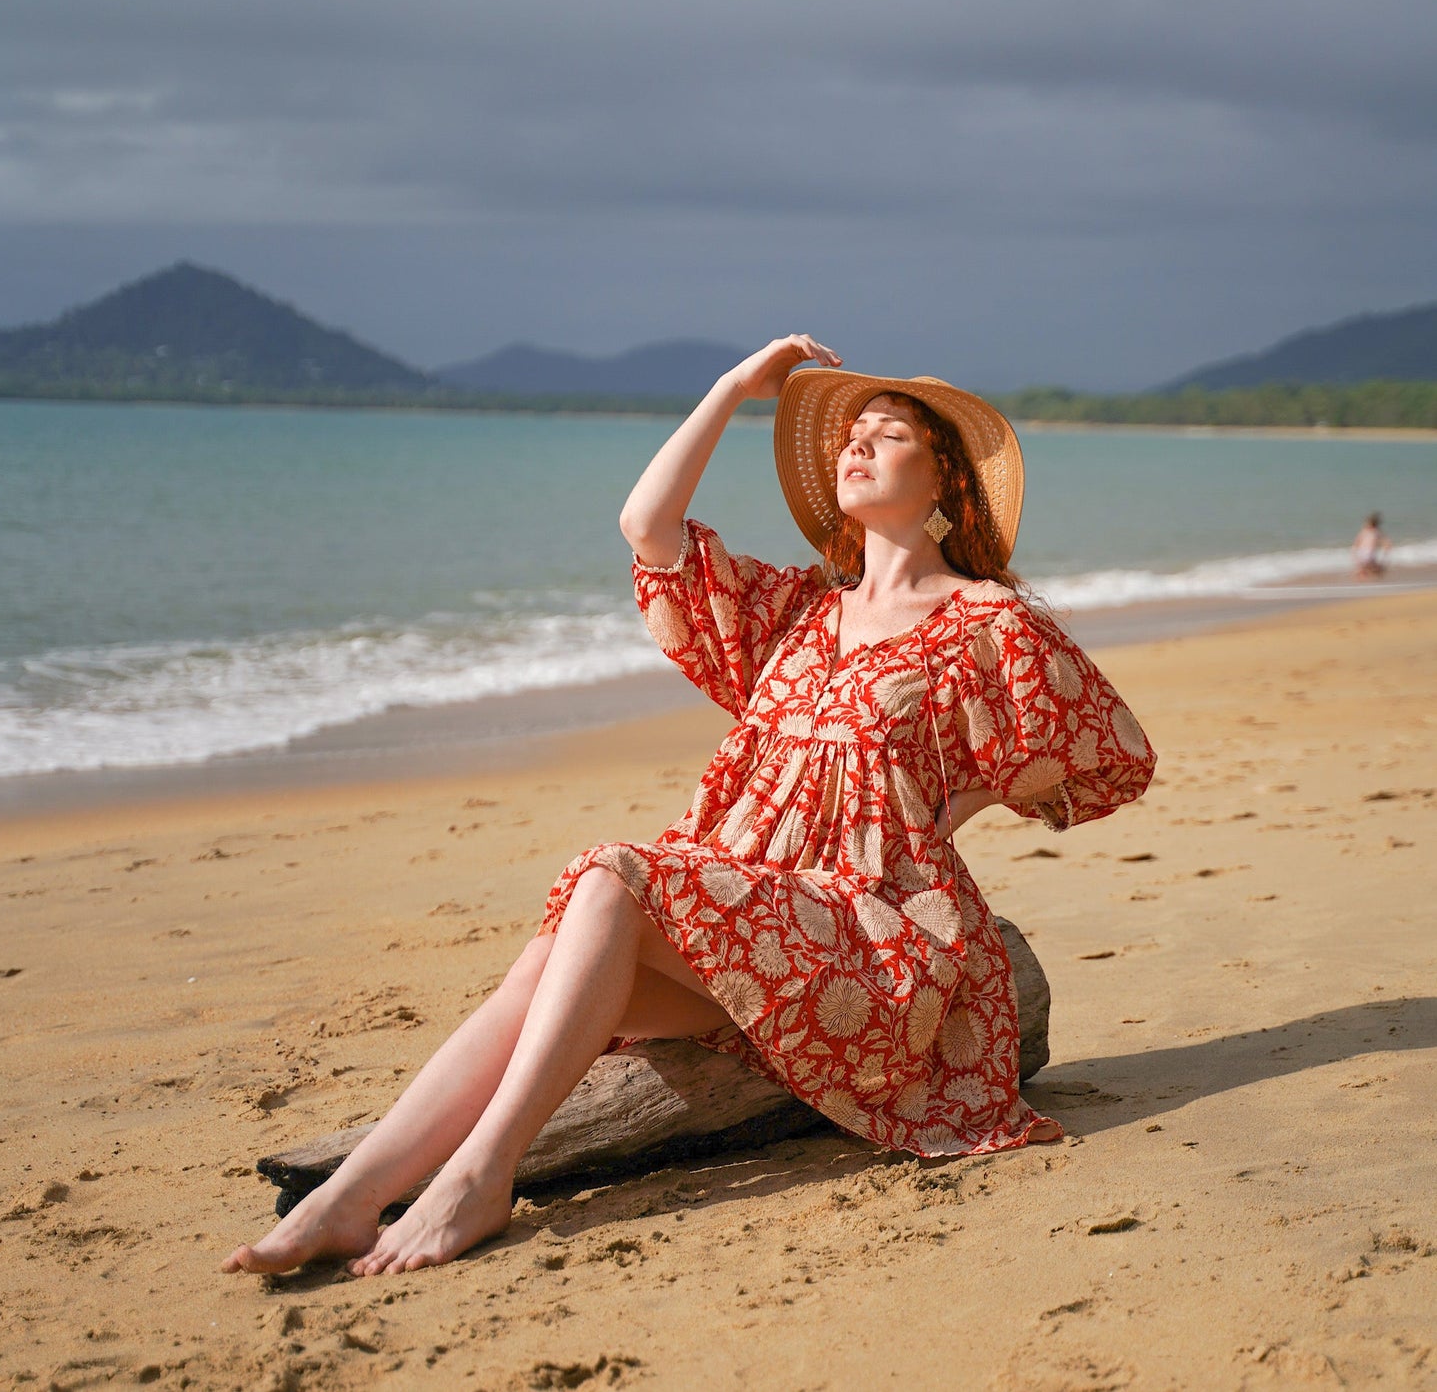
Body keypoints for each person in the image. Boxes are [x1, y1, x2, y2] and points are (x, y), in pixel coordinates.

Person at [223, 334, 1156, 1279]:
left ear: (946, 481)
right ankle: (347, 1199)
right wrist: (730, 389)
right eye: (848, 438)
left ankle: (479, 1177)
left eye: (887, 434)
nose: (855, 448)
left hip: (873, 944)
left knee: (611, 876)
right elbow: (646, 524)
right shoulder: (796, 612)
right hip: (748, 927)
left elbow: (1110, 754)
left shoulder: (985, 623)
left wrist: (960, 801)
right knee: (549, 961)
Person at [1352, 513, 1391, 579]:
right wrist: (1386, 550)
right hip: (1370, 553)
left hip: (1361, 552)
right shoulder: (1377, 532)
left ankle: (1362, 574)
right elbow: (1386, 542)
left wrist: (1354, 553)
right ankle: (1369, 573)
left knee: (1364, 568)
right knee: (1375, 568)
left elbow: (1356, 542)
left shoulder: (1364, 531)